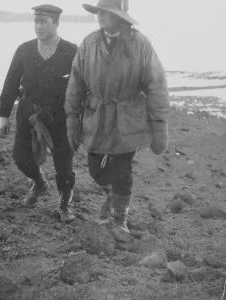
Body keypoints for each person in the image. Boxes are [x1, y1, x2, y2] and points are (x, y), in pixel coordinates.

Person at [65, 0, 170, 241]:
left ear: (119, 16)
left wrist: (159, 126)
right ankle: (111, 197)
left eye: (106, 12)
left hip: (128, 119)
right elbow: (76, 82)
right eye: (99, 11)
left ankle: (119, 219)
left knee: (122, 171)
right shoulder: (89, 43)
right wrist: (72, 118)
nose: (100, 16)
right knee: (96, 171)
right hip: (96, 118)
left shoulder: (140, 43)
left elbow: (156, 85)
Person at [0, 4, 78, 222]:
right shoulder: (24, 50)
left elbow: (82, 85)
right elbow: (11, 82)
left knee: (64, 164)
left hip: (60, 116)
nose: (39, 26)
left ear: (57, 23)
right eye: (36, 21)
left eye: (44, 22)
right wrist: (3, 115)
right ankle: (39, 182)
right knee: (20, 157)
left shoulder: (71, 51)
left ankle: (64, 205)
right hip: (28, 112)